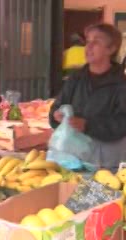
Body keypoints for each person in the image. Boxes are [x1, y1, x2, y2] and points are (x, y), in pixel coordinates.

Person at [50, 23, 126, 172]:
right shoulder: (75, 79)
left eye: (96, 42)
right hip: (73, 157)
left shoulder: (121, 84)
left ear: (111, 49)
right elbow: (57, 106)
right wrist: (56, 115)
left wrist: (88, 125)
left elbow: (122, 123)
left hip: (107, 161)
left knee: (98, 195)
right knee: (68, 192)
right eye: (88, 41)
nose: (88, 47)